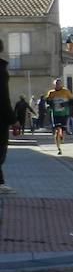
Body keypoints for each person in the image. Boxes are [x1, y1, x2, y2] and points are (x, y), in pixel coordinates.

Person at [44, 79, 73, 154]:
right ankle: (58, 148)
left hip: (64, 113)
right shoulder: (51, 93)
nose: (58, 85)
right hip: (55, 114)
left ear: (61, 84)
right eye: (56, 84)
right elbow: (47, 101)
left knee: (62, 130)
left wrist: (65, 104)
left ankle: (62, 137)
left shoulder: (66, 91)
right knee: (57, 130)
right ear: (54, 85)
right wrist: (49, 105)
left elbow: (72, 100)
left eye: (59, 84)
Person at [0, 39, 14, 192]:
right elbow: (3, 96)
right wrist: (12, 119)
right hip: (1, 118)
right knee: (1, 149)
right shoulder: (1, 70)